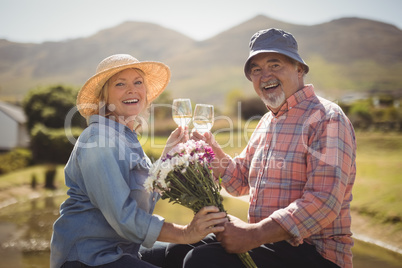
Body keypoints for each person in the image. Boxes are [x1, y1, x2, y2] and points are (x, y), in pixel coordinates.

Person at [189, 28, 356, 268]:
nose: (264, 75)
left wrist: (252, 234)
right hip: (267, 246)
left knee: (201, 260)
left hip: (315, 254)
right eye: (256, 70)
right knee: (176, 251)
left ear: (299, 69)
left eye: (274, 65)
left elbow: (323, 201)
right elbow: (240, 182)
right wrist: (214, 151)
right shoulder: (267, 121)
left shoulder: (327, 117)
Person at [50, 54, 228, 268]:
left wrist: (168, 156)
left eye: (138, 82)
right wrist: (186, 232)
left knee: (188, 251)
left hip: (124, 249)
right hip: (89, 257)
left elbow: (145, 192)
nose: (132, 90)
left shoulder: (124, 136)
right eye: (120, 84)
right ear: (104, 97)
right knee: (186, 242)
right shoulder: (99, 140)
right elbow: (124, 218)